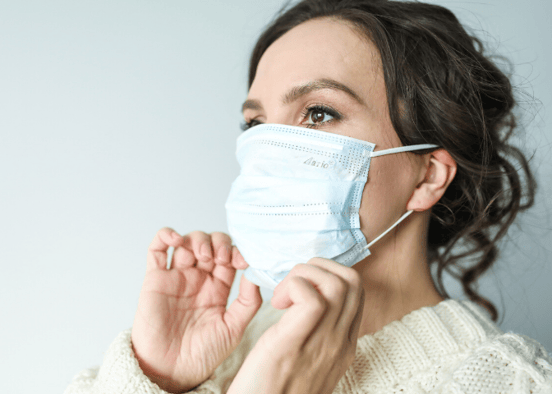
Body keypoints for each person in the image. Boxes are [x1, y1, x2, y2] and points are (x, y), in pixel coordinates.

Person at [65, 0, 552, 393]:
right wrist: (157, 378)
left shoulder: (512, 384)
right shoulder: (214, 347)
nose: (270, 149)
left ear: (427, 175)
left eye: (318, 113)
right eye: (256, 124)